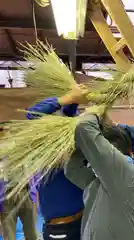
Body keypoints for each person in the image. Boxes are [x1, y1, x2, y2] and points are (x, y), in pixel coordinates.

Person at [64, 92, 134, 239]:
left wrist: (95, 111)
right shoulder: (99, 181)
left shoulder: (129, 175)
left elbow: (85, 128)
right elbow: (72, 169)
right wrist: (84, 146)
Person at [26, 93, 85, 240]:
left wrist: (74, 102)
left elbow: (70, 116)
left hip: (83, 221)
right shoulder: (47, 153)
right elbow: (32, 115)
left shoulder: (77, 150)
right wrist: (65, 99)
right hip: (60, 228)